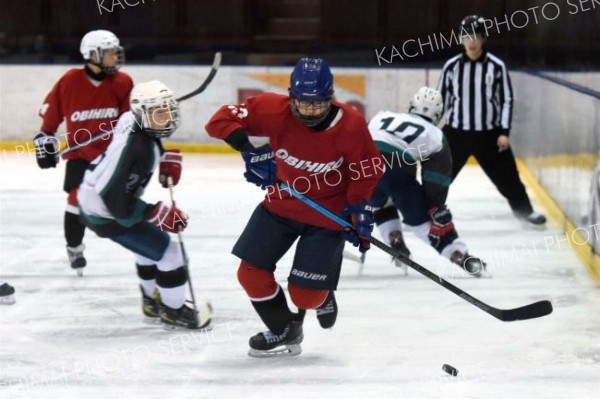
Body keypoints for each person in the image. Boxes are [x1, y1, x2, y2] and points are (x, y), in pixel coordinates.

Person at [205, 58, 382, 356]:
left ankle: (323, 295)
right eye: (303, 103)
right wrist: (249, 151)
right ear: (291, 96)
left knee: (306, 296)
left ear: (331, 98)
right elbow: (218, 120)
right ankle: (285, 329)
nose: (310, 111)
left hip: (328, 214)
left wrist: (359, 207)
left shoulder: (350, 124)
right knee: (249, 273)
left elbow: (367, 169)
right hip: (280, 204)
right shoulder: (274, 110)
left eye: (318, 104)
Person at [77, 80, 209, 330]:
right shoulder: (134, 146)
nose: (168, 117)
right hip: (104, 212)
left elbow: (138, 132)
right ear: (143, 114)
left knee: (147, 250)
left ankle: (151, 301)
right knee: (172, 255)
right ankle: (173, 311)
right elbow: (113, 198)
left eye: (170, 110)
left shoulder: (134, 122)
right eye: (160, 112)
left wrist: (163, 157)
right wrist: (153, 212)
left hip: (96, 200)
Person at [33, 30, 133, 275]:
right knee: (75, 201)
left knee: (121, 204)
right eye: (109, 53)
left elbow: (129, 119)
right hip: (80, 156)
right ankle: (75, 247)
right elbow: (49, 122)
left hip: (112, 158)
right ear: (92, 55)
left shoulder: (122, 82)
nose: (115, 58)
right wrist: (44, 144)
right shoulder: (69, 81)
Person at [437, 15, 546, 227]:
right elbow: (439, 99)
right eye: (466, 36)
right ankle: (423, 212)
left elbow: (506, 100)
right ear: (460, 39)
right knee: (439, 175)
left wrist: (504, 131)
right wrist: (430, 129)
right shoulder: (451, 67)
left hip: (490, 135)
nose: (471, 41)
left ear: (483, 38)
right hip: (456, 134)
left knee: (508, 177)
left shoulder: (496, 66)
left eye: (476, 36)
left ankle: (525, 213)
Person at [369, 87, 485, 277]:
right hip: (397, 174)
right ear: (438, 115)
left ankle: (394, 237)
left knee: (379, 203)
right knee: (425, 225)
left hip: (362, 170)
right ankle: (461, 256)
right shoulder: (435, 135)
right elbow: (436, 177)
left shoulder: (381, 116)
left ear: (412, 105)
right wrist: (435, 207)